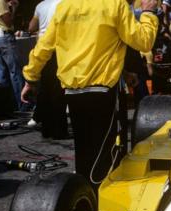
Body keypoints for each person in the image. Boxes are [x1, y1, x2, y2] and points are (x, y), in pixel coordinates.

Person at [20, 0, 158, 190]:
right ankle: (105, 201)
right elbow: (143, 41)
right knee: (105, 153)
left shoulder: (64, 7)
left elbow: (43, 47)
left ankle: (85, 200)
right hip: (103, 91)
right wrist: (149, 14)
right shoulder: (114, 5)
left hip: (73, 91)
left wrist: (30, 78)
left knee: (84, 150)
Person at [26, 0, 68, 139]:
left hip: (42, 48)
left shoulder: (40, 5)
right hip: (58, 48)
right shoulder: (64, 3)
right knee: (58, 91)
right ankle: (59, 130)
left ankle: (47, 128)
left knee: (45, 89)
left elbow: (31, 27)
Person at [0, 0, 24, 109]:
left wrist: (7, 6)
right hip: (4, 38)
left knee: (1, 73)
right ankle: (22, 105)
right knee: (15, 72)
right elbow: (8, 21)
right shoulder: (0, 1)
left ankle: (4, 105)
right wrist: (14, 9)